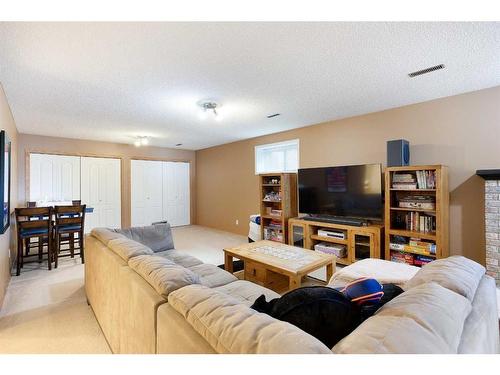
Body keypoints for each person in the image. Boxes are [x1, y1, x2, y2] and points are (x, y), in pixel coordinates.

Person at [251, 277, 403, 348]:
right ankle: (387, 291)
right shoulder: (345, 313)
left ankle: (385, 290)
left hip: (282, 310)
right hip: (295, 317)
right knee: (389, 291)